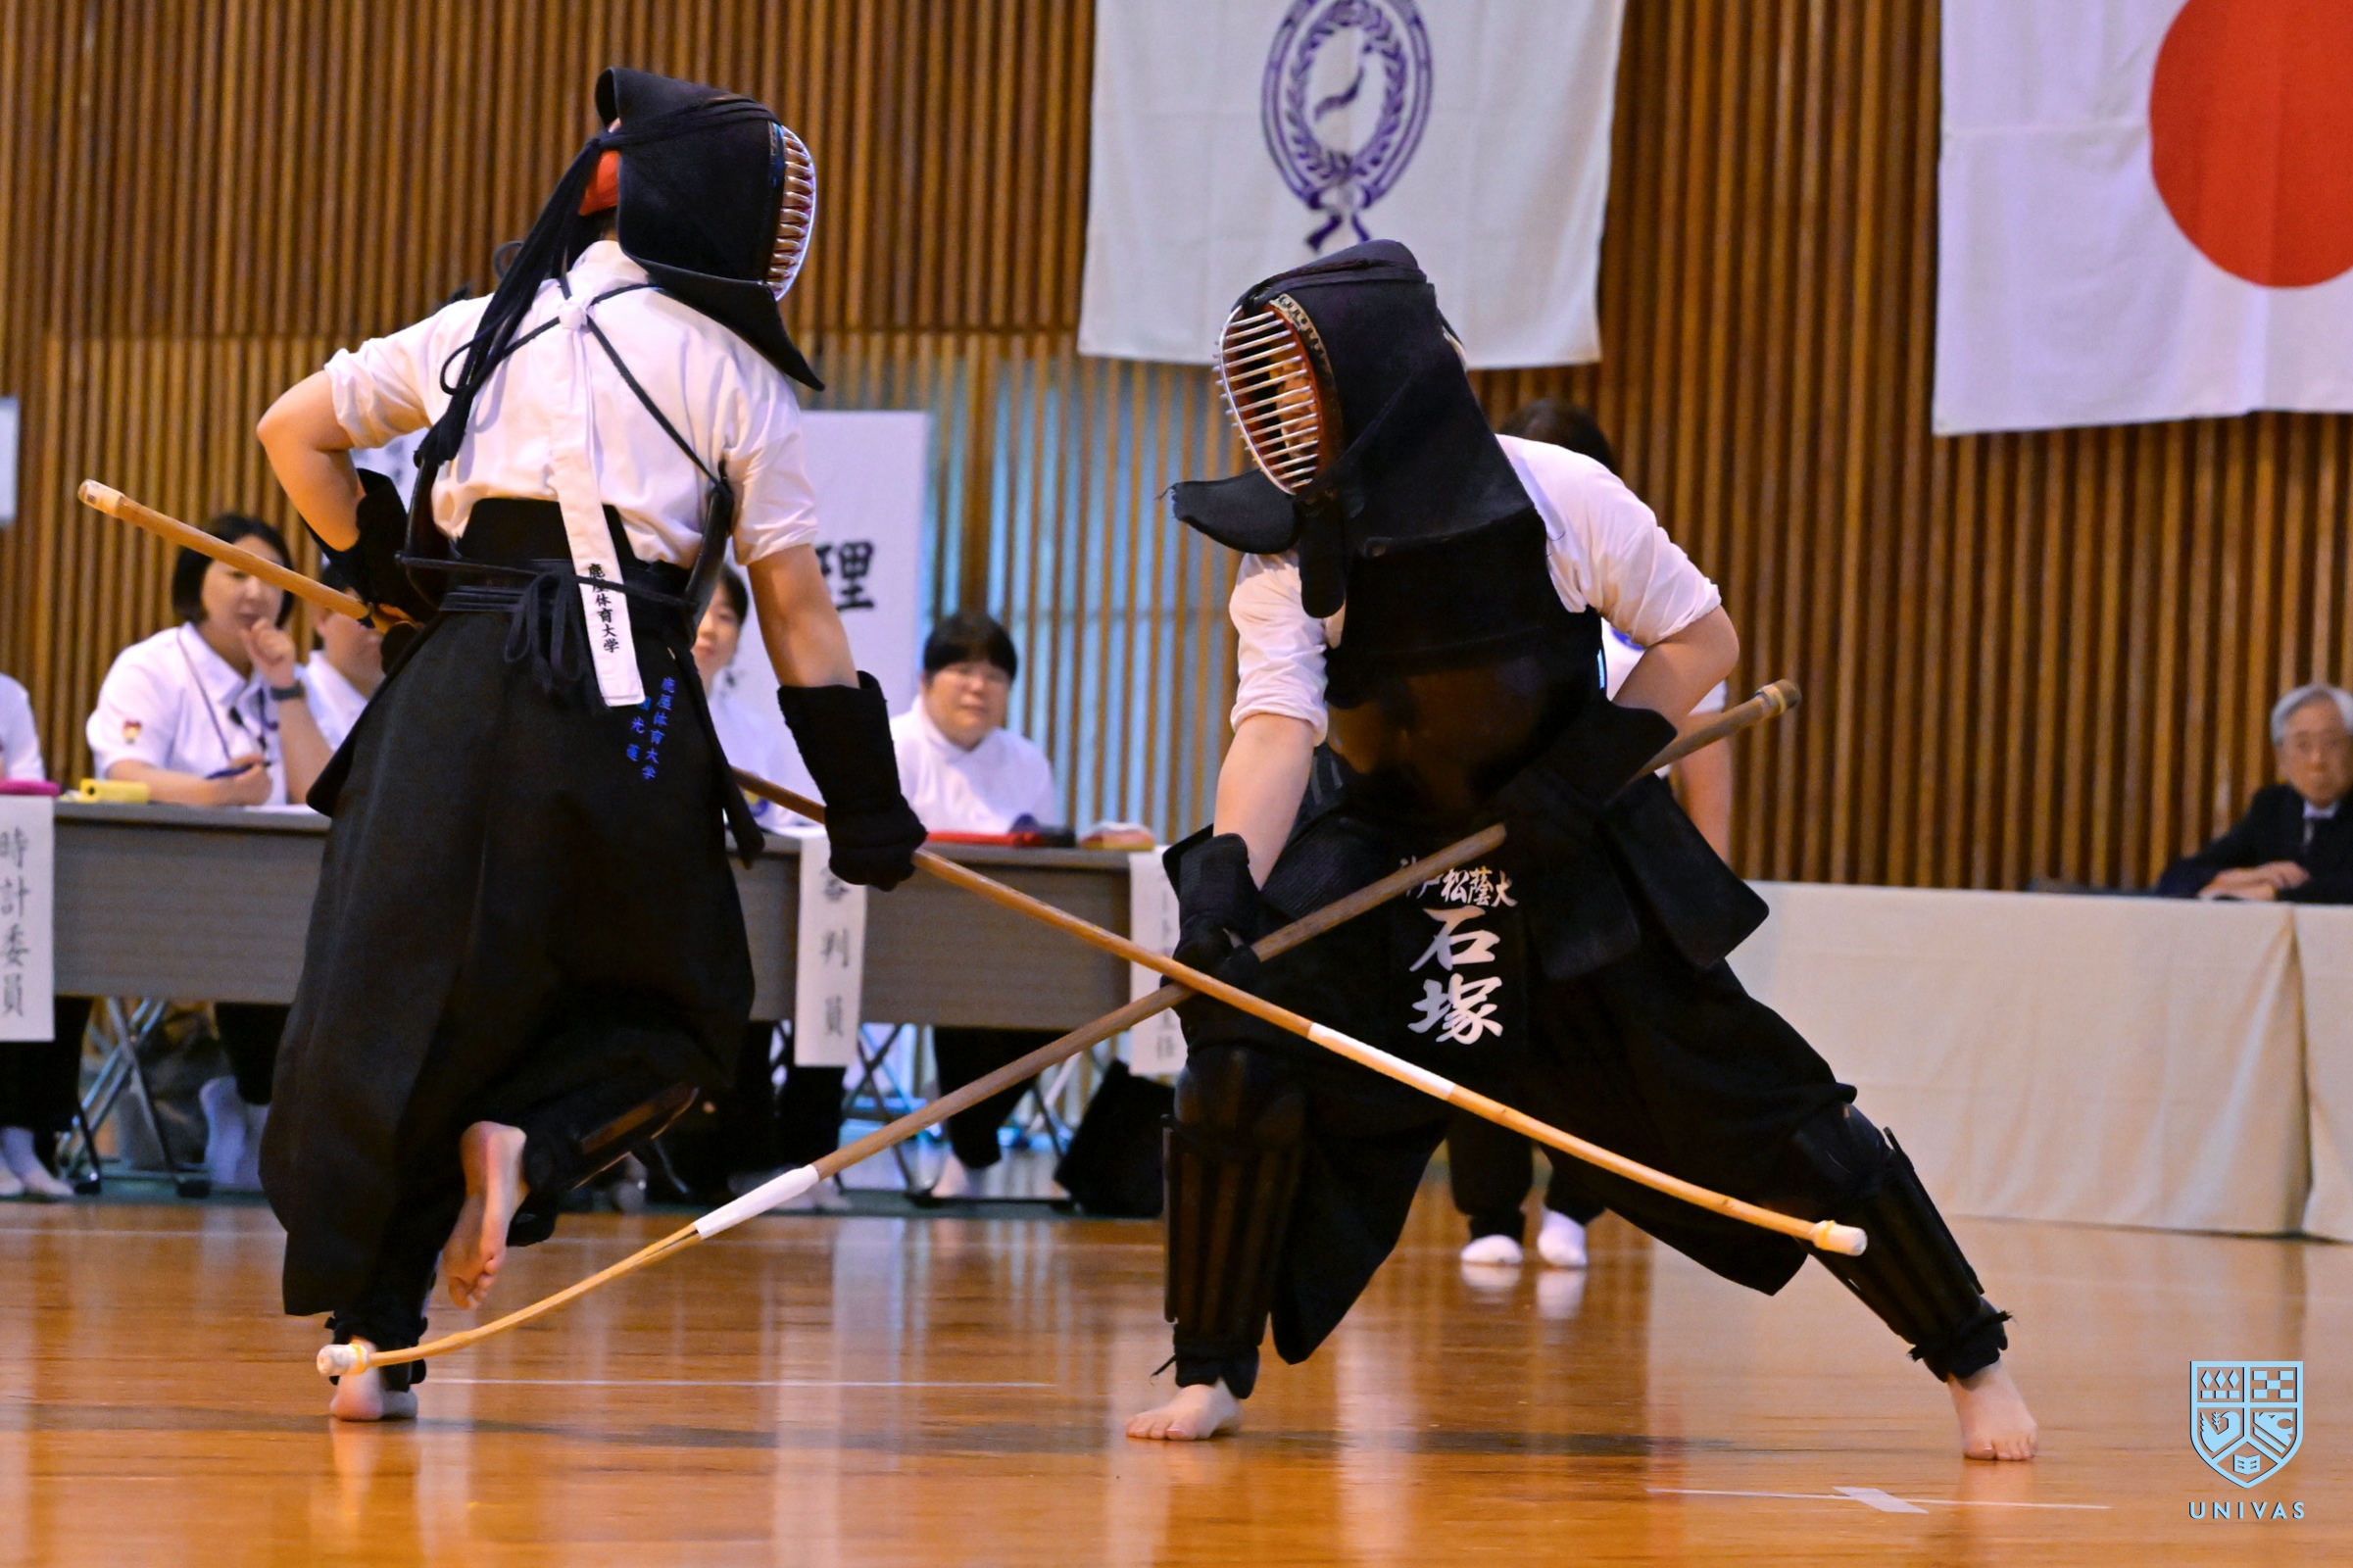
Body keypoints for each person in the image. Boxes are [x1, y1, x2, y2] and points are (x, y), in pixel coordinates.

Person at [1123, 242, 2035, 1460]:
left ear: (1381, 376)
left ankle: (1972, 1357)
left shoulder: (1559, 493)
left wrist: (1583, 770)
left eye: (1300, 383)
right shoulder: (1291, 544)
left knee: (1773, 1108)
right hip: (1384, 855)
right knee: (1240, 1048)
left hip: (1563, 845)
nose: (1277, 415)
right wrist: (1227, 883)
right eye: (1266, 390)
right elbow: (1278, 725)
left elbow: (1700, 641)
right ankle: (1209, 1368)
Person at [254, 67, 923, 1422]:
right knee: (682, 1009)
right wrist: (865, 801)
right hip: (620, 712)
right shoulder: (735, 372)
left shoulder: (478, 327)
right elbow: (796, 610)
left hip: (447, 696)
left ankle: (370, 1338)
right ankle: (534, 1140)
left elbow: (293, 435)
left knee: (402, 1001)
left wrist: (385, 574)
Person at [1447, 402, 1740, 1274]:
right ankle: (1489, 1212)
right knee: (1482, 1023)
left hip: (1610, 861)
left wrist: (1702, 903)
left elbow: (1704, 771)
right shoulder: (1473, 602)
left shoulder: (1650, 604)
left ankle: (1576, 1206)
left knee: (1600, 1042)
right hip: (1496, 852)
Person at [85, 514, 331, 1192]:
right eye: (235, 573)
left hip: (269, 897)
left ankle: (262, 1116)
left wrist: (283, 685)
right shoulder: (152, 666)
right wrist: (216, 794)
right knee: (262, 936)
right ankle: (255, 1114)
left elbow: (318, 793)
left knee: (298, 933)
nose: (256, 591)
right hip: (157, 889)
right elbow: (123, 774)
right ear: (196, 584)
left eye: (270, 577)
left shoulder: (288, 675)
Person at [681, 565, 844, 1210]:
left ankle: (772, 1161)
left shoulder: (753, 730)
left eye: (727, 616)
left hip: (744, 911)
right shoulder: (630, 709)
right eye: (702, 610)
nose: (710, 629)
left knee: (777, 984)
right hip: (665, 910)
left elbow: (785, 826)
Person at [891, 612, 1061, 1199]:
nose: (978, 687)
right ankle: (971, 1148)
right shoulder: (893, 745)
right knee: (967, 984)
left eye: (994, 676)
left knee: (1075, 992)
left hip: (1007, 942)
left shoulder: (1026, 759)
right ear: (925, 681)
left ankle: (966, 1127)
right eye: (962, 670)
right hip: (904, 938)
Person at [2158, 684, 2353, 903]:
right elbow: (2176, 878)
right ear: (2281, 757)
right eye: (2302, 745)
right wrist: (2245, 877)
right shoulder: (2272, 807)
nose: (2317, 760)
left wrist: (2274, 894)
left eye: (2331, 743)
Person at [0, 682, 79, 1200]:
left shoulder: (7, 695)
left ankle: (20, 1135)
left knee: (49, 957)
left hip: (6, 861)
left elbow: (25, 787)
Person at [300, 573, 385, 754]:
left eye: (391, 613)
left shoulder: (403, 705)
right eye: (363, 609)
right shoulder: (297, 696)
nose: (379, 626)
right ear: (322, 617)